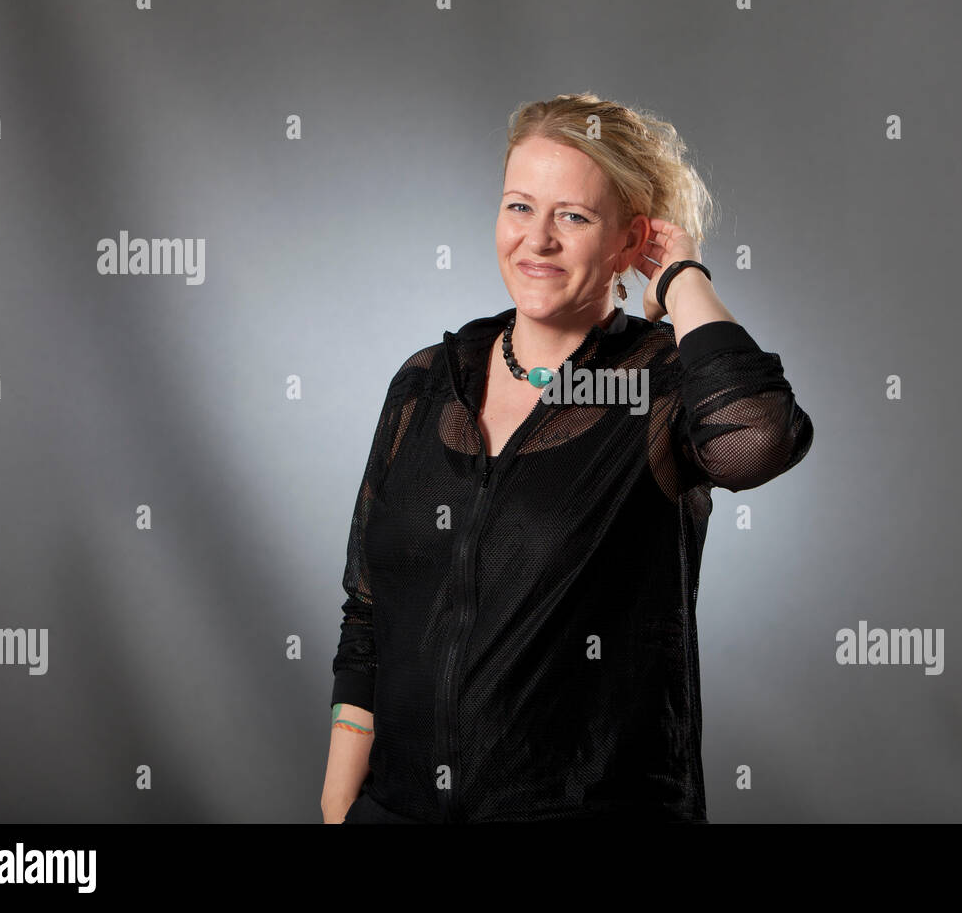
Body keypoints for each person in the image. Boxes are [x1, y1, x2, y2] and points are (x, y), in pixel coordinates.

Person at [320, 92, 814, 823]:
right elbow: (367, 610)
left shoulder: (658, 386)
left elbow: (760, 439)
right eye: (520, 207)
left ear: (628, 243)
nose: (536, 240)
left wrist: (680, 277)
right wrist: (338, 808)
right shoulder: (430, 380)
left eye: (573, 217)